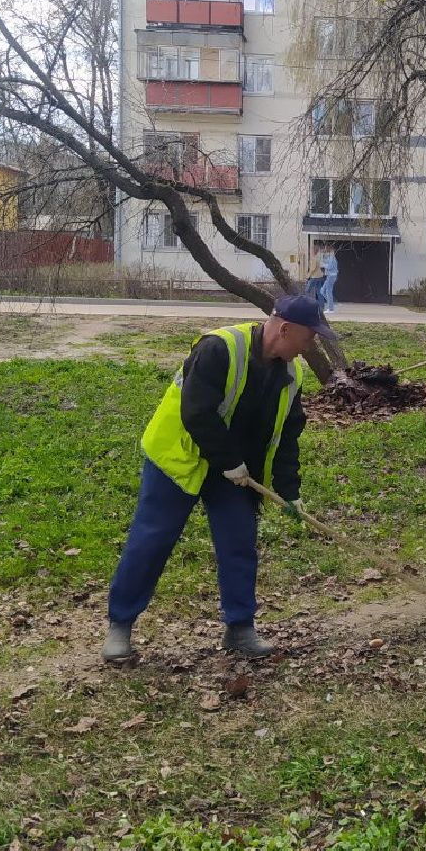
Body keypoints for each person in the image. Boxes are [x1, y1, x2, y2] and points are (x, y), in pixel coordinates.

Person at [102, 295, 333, 662]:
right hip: (179, 458)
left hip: (234, 471)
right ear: (286, 329)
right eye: (309, 337)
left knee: (239, 542)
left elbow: (286, 437)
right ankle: (120, 625)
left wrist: (290, 492)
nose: (311, 345)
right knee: (152, 541)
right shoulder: (220, 348)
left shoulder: (292, 373)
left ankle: (239, 628)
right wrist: (228, 461)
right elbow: (196, 412)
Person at [319, 247, 339, 314]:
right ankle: (332, 305)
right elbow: (324, 261)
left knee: (328, 291)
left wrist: (323, 265)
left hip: (331, 276)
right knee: (322, 291)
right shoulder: (329, 258)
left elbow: (329, 267)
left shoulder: (332, 258)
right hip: (329, 276)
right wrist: (322, 256)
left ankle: (331, 309)